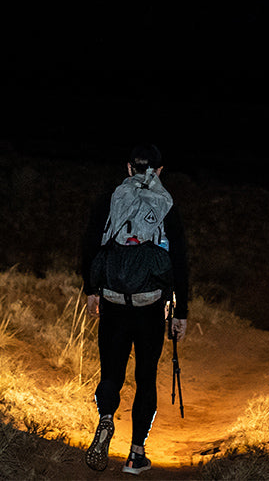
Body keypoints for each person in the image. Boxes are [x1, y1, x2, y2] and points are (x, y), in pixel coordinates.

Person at [82, 144, 189, 475]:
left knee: (111, 371)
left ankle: (105, 418)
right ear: (158, 171)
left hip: (113, 300)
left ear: (129, 168)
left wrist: (91, 290)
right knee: (145, 376)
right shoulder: (166, 205)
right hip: (149, 305)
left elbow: (90, 244)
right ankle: (136, 454)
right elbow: (180, 260)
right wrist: (181, 310)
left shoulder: (110, 199)